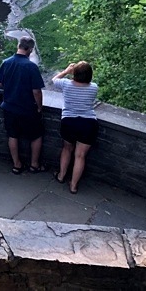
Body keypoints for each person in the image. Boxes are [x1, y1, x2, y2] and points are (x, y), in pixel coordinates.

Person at [0, 36, 46, 174]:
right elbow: (37, 91)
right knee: (36, 135)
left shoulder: (6, 62)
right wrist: (39, 107)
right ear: (30, 49)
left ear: (18, 45)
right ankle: (34, 165)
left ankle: (17, 165)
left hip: (9, 106)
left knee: (13, 135)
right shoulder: (31, 67)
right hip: (27, 109)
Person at [52, 61, 99, 194]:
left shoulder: (66, 84)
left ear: (75, 73)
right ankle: (73, 186)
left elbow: (54, 80)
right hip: (88, 123)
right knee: (80, 156)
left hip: (69, 121)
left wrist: (66, 71)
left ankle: (61, 175)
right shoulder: (94, 87)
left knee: (67, 149)